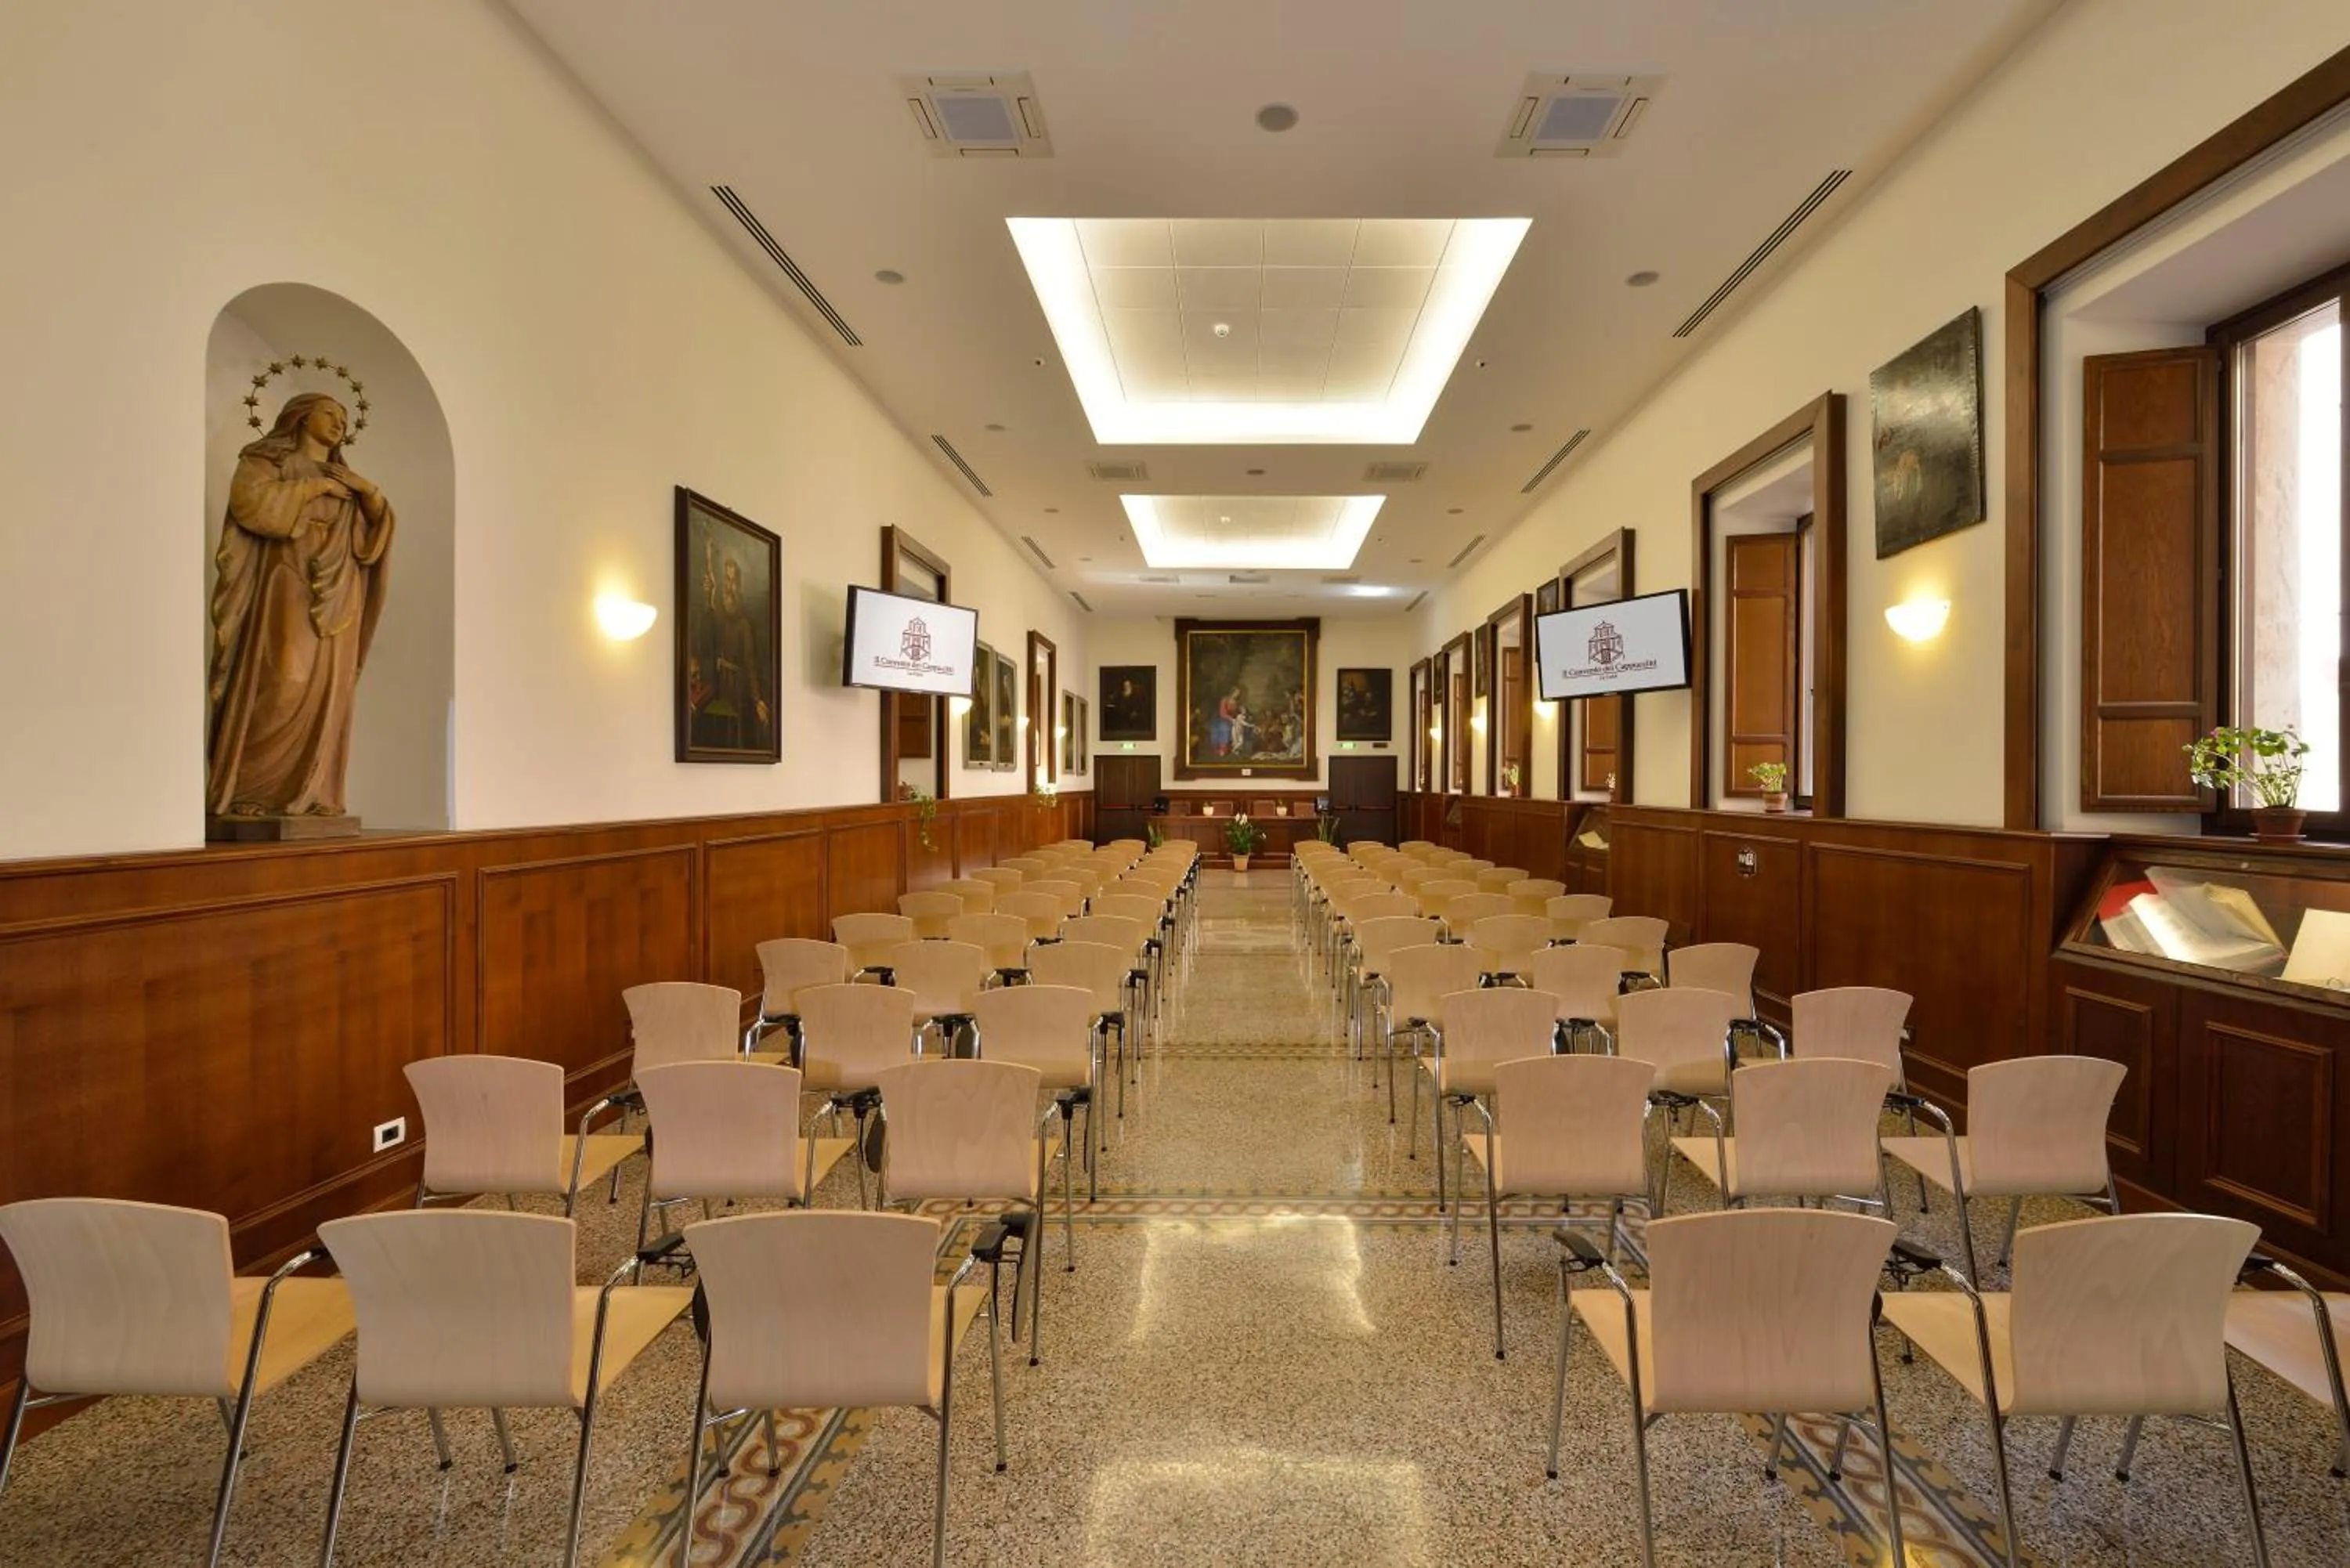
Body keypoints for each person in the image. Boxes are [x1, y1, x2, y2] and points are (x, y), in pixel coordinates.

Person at [207, 392, 395, 818]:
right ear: (301, 417)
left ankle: (316, 792)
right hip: (288, 578)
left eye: (344, 417)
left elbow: (370, 542)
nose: (339, 423)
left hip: (340, 590)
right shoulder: (267, 460)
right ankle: (250, 790)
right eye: (329, 413)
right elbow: (250, 504)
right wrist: (315, 487)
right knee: (284, 678)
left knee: (332, 689)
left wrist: (369, 493)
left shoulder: (348, 478)